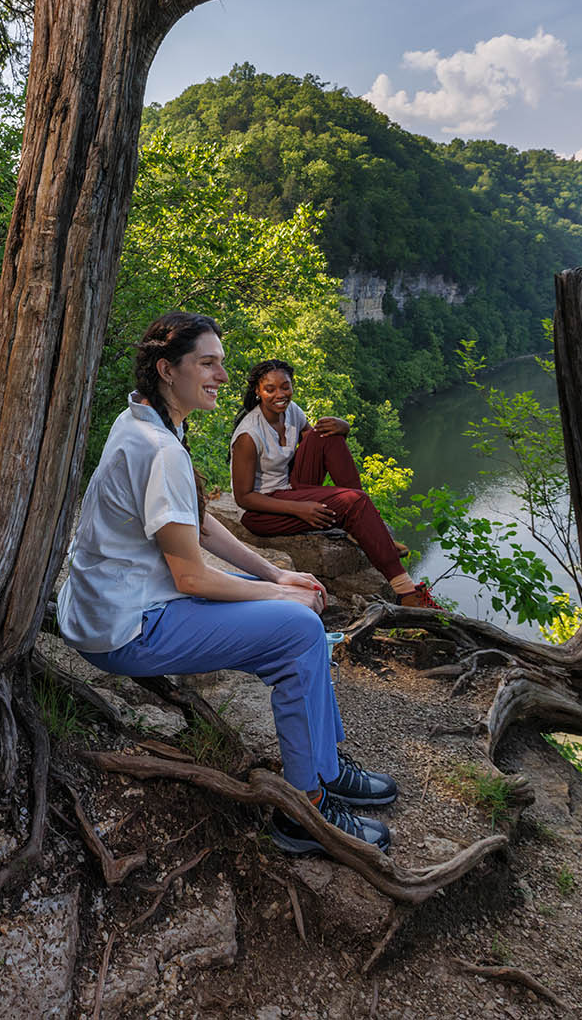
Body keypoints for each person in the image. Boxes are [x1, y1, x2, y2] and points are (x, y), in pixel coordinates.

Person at [57, 312, 400, 854]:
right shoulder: (161, 449)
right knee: (299, 630)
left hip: (116, 603)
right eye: (208, 363)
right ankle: (304, 811)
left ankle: (327, 769)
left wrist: (275, 571)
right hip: (127, 625)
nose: (221, 375)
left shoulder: (145, 418)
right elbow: (191, 575)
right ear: (168, 370)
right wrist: (283, 595)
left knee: (293, 620)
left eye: (221, 362)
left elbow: (196, 517)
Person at [229, 360, 440, 610]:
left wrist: (344, 428)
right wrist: (299, 509)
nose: (280, 395)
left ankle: (369, 530)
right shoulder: (248, 436)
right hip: (262, 511)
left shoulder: (292, 411)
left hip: (290, 486)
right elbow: (244, 498)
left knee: (328, 432)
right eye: (270, 389)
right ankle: (406, 592)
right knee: (355, 501)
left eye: (285, 387)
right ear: (258, 391)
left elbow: (316, 443)